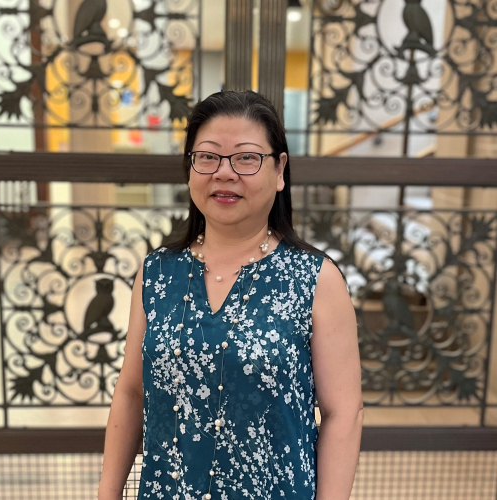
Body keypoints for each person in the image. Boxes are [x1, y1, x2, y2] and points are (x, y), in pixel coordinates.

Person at [98, 90, 363, 500]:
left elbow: (343, 414)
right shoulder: (157, 272)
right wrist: (107, 493)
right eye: (207, 157)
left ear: (279, 170)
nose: (224, 173)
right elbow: (131, 393)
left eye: (246, 157)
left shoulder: (316, 279)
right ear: (190, 170)